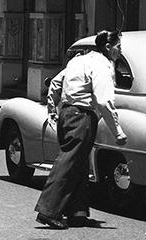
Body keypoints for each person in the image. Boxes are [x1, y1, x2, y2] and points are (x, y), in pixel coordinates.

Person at [34, 30, 127, 230]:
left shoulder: (78, 61)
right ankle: (48, 210)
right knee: (68, 162)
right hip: (83, 116)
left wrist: (53, 110)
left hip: (67, 113)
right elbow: (104, 100)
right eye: (118, 47)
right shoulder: (102, 65)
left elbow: (56, 83)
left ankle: (78, 212)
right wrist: (117, 131)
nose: (120, 51)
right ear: (108, 47)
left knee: (79, 164)